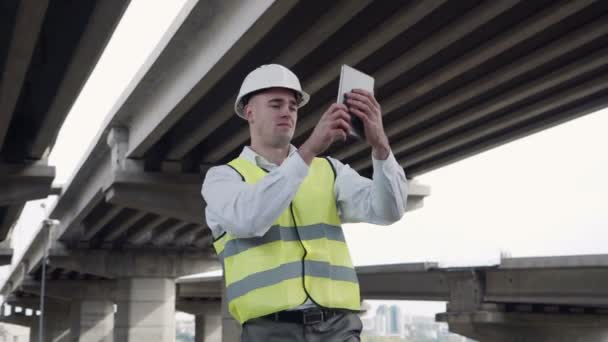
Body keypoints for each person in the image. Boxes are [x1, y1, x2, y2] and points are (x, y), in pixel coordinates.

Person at [202, 64, 408, 341]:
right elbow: (248, 220)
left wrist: (381, 147)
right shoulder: (223, 179)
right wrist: (309, 150)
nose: (287, 111)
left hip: (339, 327)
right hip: (271, 331)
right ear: (249, 112)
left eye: (292, 106)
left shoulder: (329, 170)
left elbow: (389, 211)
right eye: (275, 104)